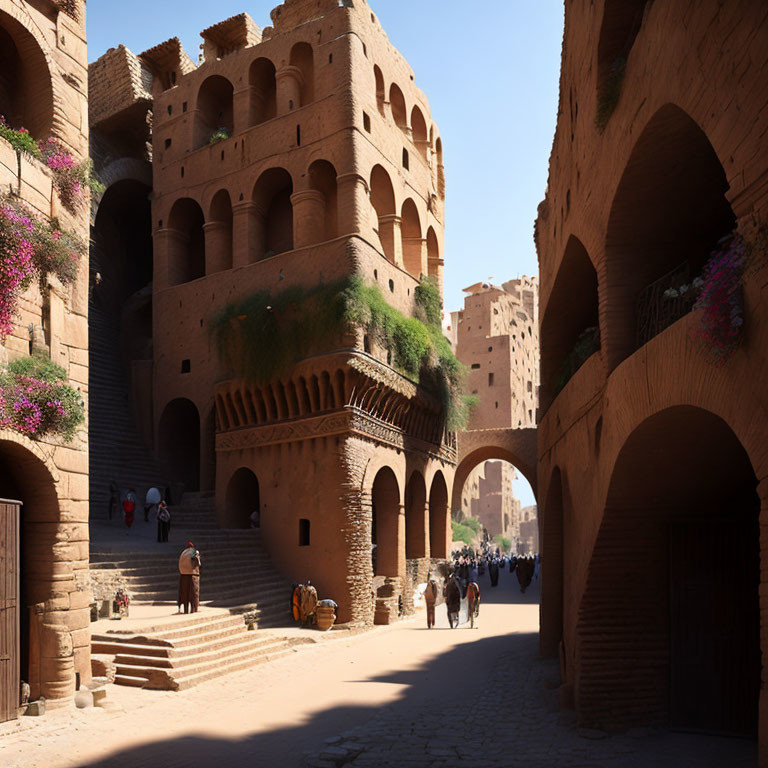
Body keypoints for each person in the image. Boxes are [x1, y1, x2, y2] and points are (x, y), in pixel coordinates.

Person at [178, 541, 201, 614]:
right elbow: (198, 563)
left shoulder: (183, 553)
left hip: (183, 574)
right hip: (193, 575)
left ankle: (185, 609)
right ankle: (193, 609)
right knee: (193, 593)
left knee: (184, 593)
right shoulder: (195, 552)